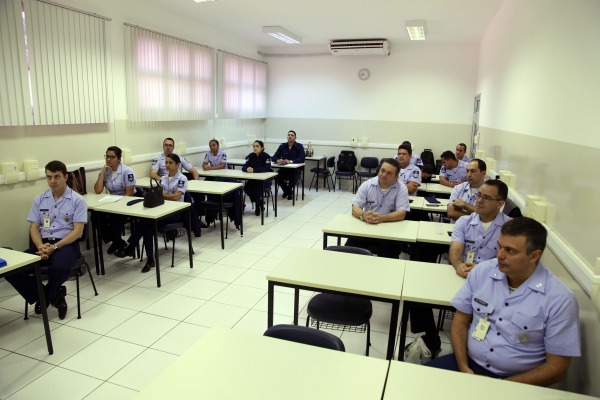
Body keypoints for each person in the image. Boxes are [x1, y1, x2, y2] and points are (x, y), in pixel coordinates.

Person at [426, 217, 580, 386]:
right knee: (418, 384)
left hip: (518, 381)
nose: (500, 255)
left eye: (510, 250)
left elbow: (556, 368)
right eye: (499, 246)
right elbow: (460, 322)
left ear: (534, 255)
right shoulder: (482, 272)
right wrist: (464, 368)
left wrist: (500, 387)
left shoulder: (559, 299)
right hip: (468, 364)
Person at [6, 161, 87, 320]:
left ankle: (45, 297)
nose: (52, 181)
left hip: (66, 244)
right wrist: (40, 246)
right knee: (12, 268)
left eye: (57, 177)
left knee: (59, 267)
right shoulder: (40, 199)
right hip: (43, 244)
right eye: (49, 177)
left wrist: (55, 247)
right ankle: (51, 295)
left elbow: (78, 232)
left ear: (65, 177)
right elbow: (34, 228)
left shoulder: (77, 200)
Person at [116, 154, 188, 273]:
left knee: (146, 222)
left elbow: (176, 197)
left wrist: (161, 195)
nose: (167, 165)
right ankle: (150, 258)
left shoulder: (182, 178)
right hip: (162, 209)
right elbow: (160, 195)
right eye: (166, 162)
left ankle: (131, 247)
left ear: (178, 165)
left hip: (176, 212)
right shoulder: (163, 178)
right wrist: (164, 195)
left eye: (171, 163)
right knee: (147, 224)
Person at [346, 158, 410, 259]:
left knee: (388, 256)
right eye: (382, 171)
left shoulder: (401, 188)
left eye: (389, 173)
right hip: (367, 226)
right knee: (348, 252)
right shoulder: (367, 185)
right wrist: (364, 215)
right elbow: (355, 207)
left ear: (396, 177)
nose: (383, 175)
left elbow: (401, 213)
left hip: (389, 230)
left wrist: (381, 218)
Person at [93, 146, 137, 254]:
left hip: (127, 202)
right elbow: (98, 190)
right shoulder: (106, 171)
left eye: (112, 157)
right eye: (107, 157)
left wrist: (117, 205)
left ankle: (118, 243)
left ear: (118, 159)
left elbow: (129, 194)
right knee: (95, 216)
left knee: (114, 217)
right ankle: (117, 241)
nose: (108, 159)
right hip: (112, 202)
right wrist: (102, 173)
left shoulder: (127, 171)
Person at [242, 140, 273, 216]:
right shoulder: (251, 155)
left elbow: (267, 168)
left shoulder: (266, 156)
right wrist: (247, 169)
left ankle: (257, 207)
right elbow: (244, 167)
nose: (255, 148)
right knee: (246, 187)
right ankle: (259, 203)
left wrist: (254, 170)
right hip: (254, 179)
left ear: (262, 148)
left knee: (257, 187)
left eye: (257, 146)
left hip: (265, 180)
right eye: (254, 146)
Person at [272, 130, 305, 200]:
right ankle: (288, 191)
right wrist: (278, 160)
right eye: (289, 135)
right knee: (276, 176)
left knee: (292, 177)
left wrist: (291, 161)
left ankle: (289, 192)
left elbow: (302, 159)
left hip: (296, 169)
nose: (290, 136)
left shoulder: (299, 146)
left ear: (295, 137)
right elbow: (274, 157)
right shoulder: (282, 146)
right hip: (285, 168)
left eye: (292, 135)